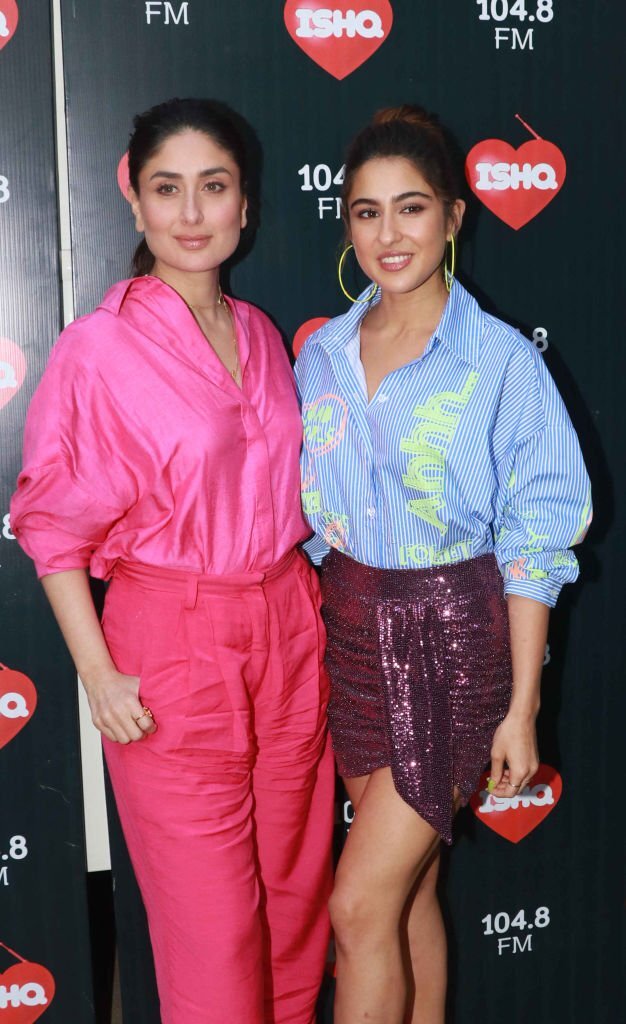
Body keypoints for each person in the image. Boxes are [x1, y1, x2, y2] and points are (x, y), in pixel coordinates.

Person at [11, 97, 333, 1024]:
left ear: (246, 202)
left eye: (213, 187)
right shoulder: (98, 349)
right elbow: (51, 527)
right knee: (214, 934)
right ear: (135, 199)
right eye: (167, 188)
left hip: (290, 628)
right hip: (172, 647)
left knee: (295, 909)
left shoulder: (263, 333)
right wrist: (99, 675)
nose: (192, 214)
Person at [295, 105, 591, 1024]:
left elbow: (535, 539)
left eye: (412, 207)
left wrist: (522, 707)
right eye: (367, 211)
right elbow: (311, 517)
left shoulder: (500, 363)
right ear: (347, 225)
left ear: (454, 217)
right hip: (349, 634)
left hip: (456, 643)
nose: (389, 234)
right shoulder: (321, 356)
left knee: (356, 907)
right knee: (408, 892)